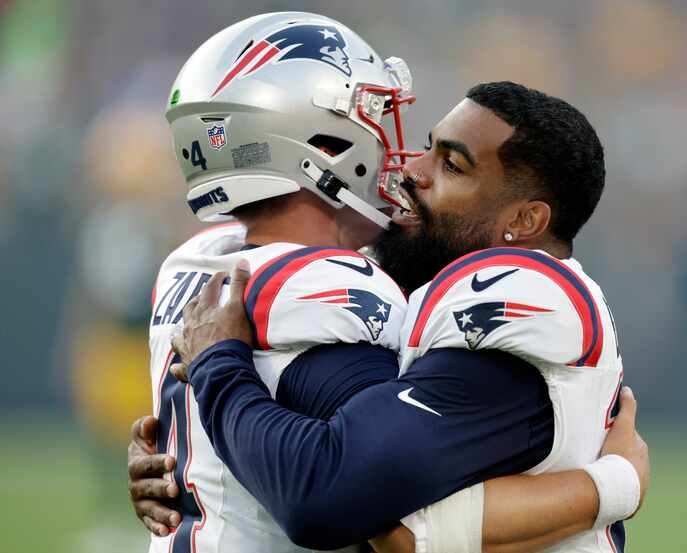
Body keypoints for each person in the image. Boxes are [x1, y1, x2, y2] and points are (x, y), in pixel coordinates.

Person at [130, 11, 648, 553]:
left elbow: (388, 521)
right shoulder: (329, 277)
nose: (409, 169)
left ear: (524, 221)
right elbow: (356, 495)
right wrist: (617, 484)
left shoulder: (195, 262)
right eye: (426, 147)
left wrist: (209, 395)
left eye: (452, 165)